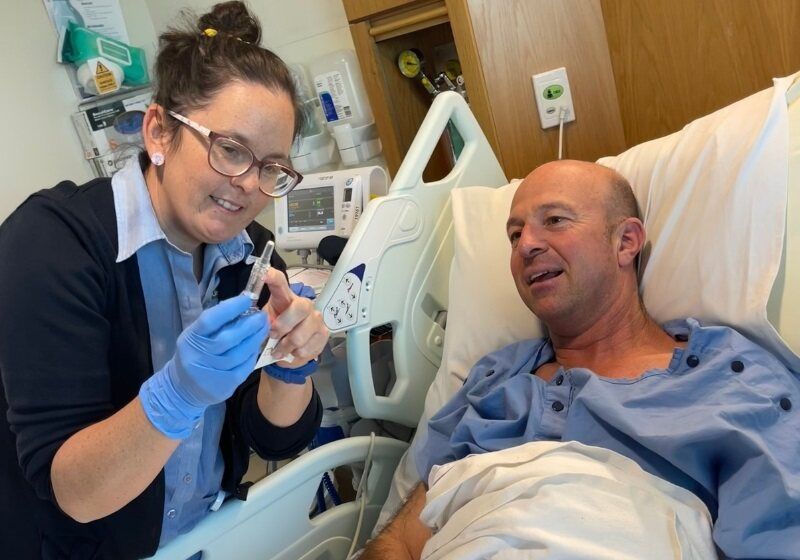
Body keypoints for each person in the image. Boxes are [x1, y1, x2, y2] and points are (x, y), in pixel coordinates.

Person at [0, 3, 329, 558]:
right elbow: (73, 494)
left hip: (205, 535)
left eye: (272, 168)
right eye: (230, 150)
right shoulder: (52, 245)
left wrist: (290, 368)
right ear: (159, 131)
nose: (249, 184)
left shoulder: (247, 256)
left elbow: (272, 439)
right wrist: (177, 395)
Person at [361, 160, 800, 559]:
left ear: (626, 241)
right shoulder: (494, 382)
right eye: (515, 234)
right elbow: (402, 538)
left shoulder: (730, 379)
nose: (526, 245)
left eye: (554, 220)